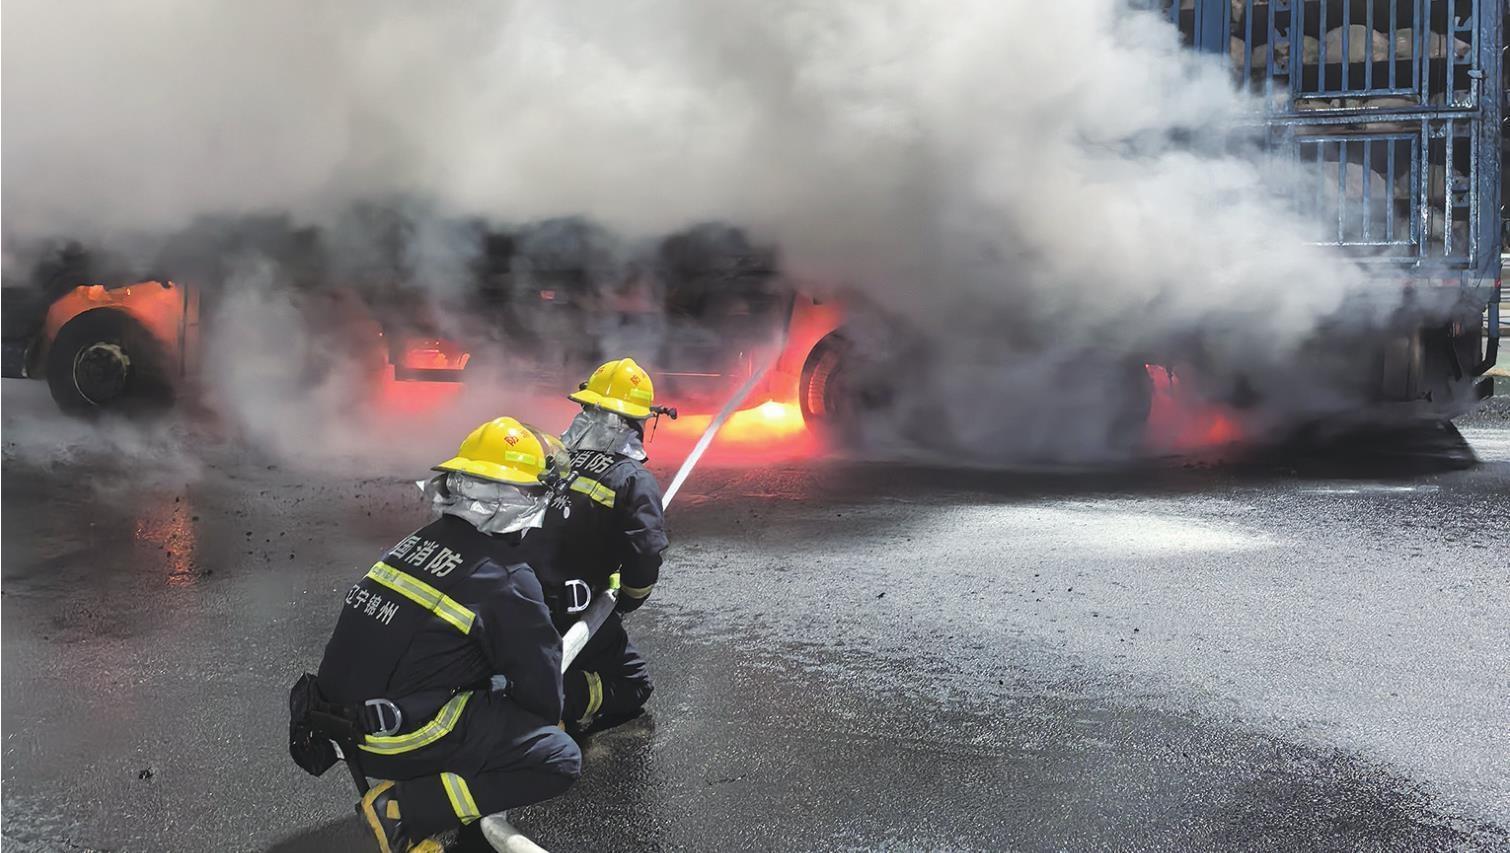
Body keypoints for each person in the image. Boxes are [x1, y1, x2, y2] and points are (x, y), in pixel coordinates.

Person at [296, 417, 580, 853]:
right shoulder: (506, 577)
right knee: (558, 755)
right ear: (512, 501)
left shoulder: (418, 542)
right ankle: (404, 812)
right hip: (394, 741)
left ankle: (417, 786)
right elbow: (541, 698)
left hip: (340, 729)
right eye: (535, 491)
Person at [530, 357, 669, 735]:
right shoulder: (633, 480)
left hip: (515, 599)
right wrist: (624, 600)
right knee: (633, 685)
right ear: (637, 422)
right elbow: (643, 560)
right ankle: (554, 702)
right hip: (569, 611)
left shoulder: (553, 461)